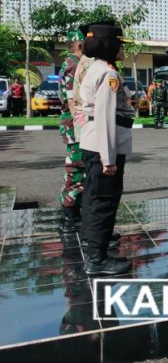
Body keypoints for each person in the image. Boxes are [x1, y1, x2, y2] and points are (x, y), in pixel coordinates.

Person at [78, 21, 134, 276]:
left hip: (93, 142)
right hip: (104, 145)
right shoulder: (109, 74)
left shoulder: (98, 68)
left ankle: (93, 246)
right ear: (110, 46)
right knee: (103, 201)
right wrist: (108, 158)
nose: (123, 49)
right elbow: (105, 117)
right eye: (120, 44)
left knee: (94, 198)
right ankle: (96, 259)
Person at [57, 30, 87, 244]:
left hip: (73, 122)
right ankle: (69, 217)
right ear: (80, 45)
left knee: (79, 168)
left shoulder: (71, 63)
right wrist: (81, 127)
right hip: (74, 123)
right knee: (76, 168)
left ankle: (74, 214)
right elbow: (71, 101)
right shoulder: (73, 65)